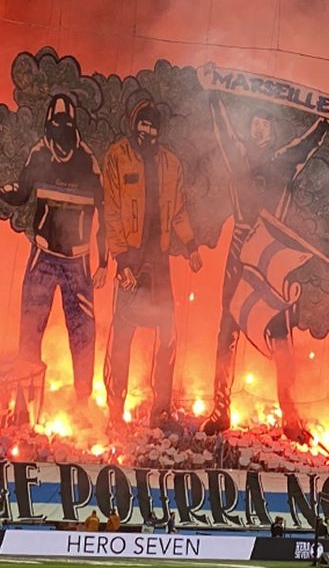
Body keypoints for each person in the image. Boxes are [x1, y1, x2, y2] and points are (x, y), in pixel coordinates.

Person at [200, 86, 329, 443]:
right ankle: (221, 408)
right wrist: (213, 95)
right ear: (249, 131)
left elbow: (308, 146)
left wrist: (328, 121)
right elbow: (222, 130)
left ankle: (290, 415)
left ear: (272, 132)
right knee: (228, 326)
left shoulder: (284, 160)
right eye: (255, 125)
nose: (259, 131)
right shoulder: (238, 156)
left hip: (271, 248)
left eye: (265, 126)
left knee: (281, 332)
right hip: (239, 246)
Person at [0, 94, 106, 405]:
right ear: (49, 125)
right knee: (30, 327)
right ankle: (25, 402)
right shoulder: (39, 154)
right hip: (43, 255)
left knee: (83, 331)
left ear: (73, 126)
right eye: (56, 123)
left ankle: (83, 401)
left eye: (66, 123)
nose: (61, 130)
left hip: (78, 259)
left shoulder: (88, 160)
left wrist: (104, 261)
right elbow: (21, 195)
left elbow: (105, 212)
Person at [102, 95, 201, 427]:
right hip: (130, 262)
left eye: (153, 126)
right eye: (143, 124)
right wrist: (122, 261)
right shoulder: (117, 157)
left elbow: (179, 210)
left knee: (168, 333)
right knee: (122, 335)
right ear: (134, 124)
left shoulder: (171, 164)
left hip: (159, 263)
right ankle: (115, 410)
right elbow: (112, 212)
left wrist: (190, 245)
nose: (148, 131)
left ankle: (160, 410)